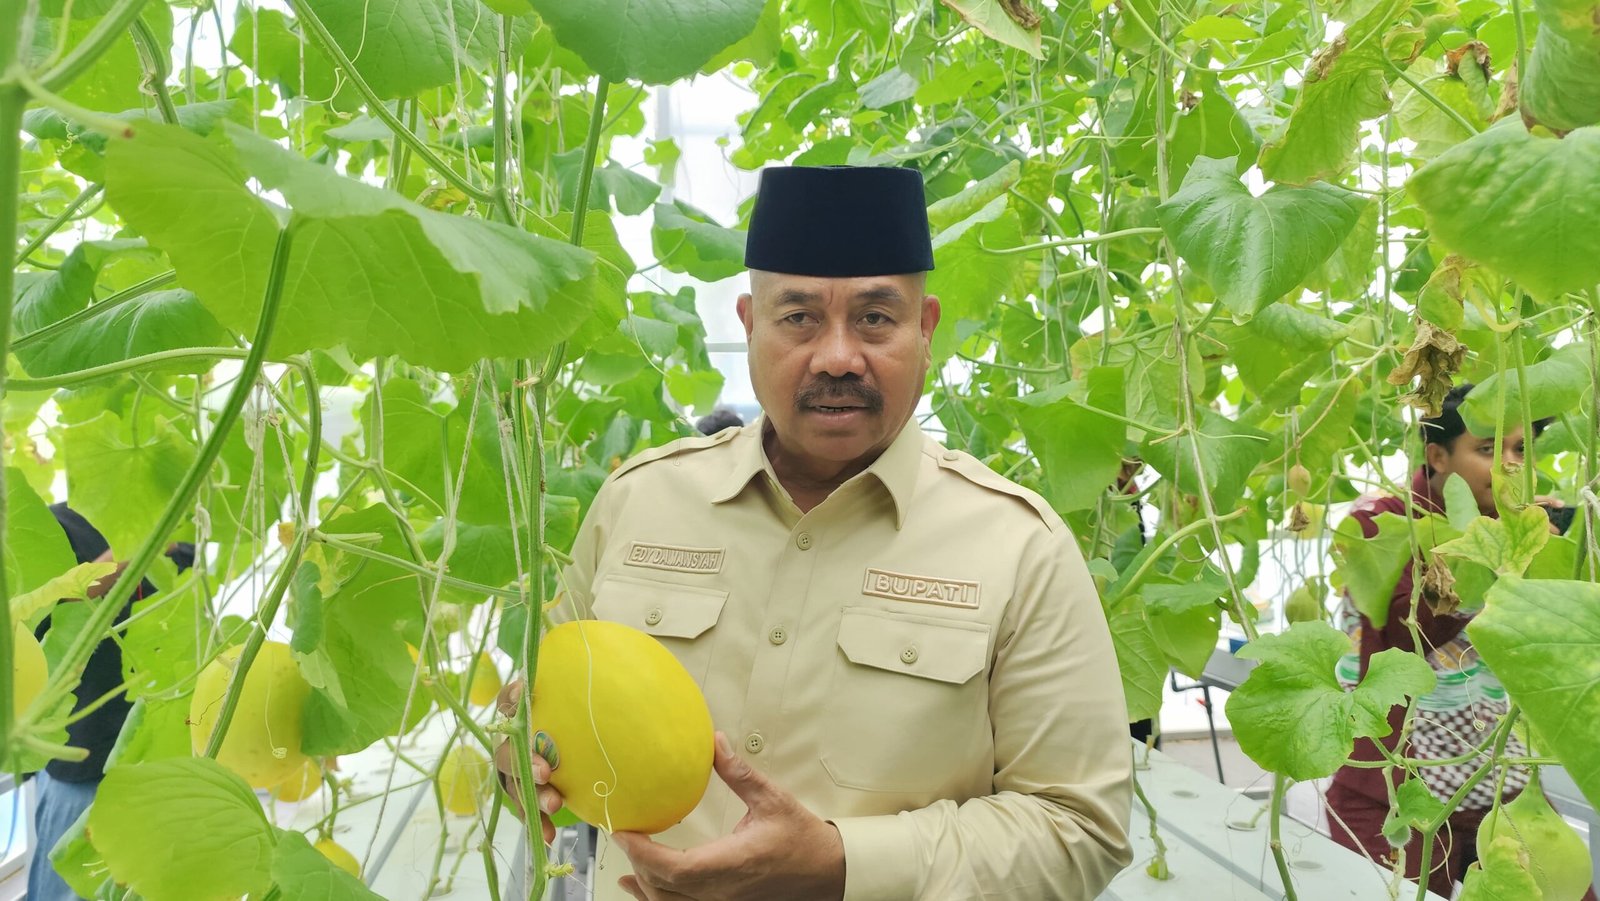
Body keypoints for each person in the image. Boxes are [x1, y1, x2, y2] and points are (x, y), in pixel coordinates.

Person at [496, 165, 1132, 900]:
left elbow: (1082, 826)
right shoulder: (636, 502)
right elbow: (545, 724)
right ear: (749, 325)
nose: (837, 356)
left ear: (923, 329)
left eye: (874, 318)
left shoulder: (1021, 547)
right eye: (798, 317)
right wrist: (526, 768)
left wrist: (840, 861)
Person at [1323, 383, 1588, 898]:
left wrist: (1565, 546)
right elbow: (1403, 631)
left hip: (1501, 783)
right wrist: (1502, 555)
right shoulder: (1376, 520)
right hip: (1392, 792)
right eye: (1489, 449)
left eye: (1521, 450)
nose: (1511, 465)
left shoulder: (1529, 523)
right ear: (1438, 455)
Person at [26, 505, 194, 901]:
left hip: (151, 748)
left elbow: (190, 565)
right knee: (67, 888)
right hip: (81, 756)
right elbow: (41, 608)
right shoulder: (52, 524)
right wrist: (138, 553)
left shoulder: (171, 516)